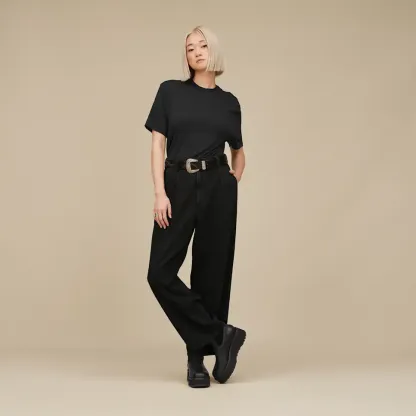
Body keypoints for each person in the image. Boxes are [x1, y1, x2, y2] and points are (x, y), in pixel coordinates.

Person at [144, 25, 246, 388]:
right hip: (178, 183)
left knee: (211, 273)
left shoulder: (229, 102)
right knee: (160, 272)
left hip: (218, 186)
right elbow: (157, 145)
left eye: (203, 45)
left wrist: (229, 184)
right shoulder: (170, 92)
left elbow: (239, 152)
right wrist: (160, 192)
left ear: (214, 50)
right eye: (190, 48)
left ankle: (197, 361)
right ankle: (220, 335)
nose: (197, 52)